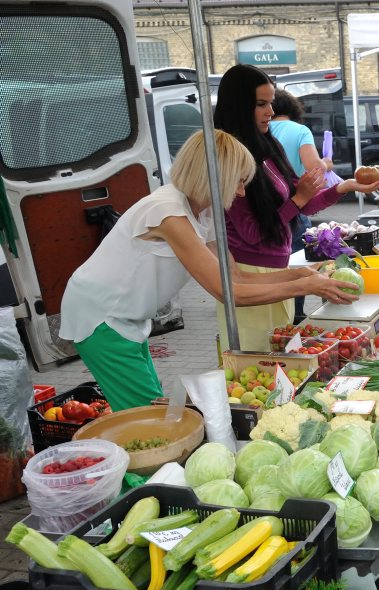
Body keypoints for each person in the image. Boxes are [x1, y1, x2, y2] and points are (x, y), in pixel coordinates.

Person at [58, 130, 361, 411]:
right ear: (213, 178)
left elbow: (236, 277)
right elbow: (226, 293)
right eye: (239, 181)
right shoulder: (168, 212)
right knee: (145, 417)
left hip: (128, 316)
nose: (242, 192)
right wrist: (305, 287)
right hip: (100, 316)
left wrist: (301, 274)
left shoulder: (207, 212)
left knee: (151, 403)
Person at [213, 64, 379, 351]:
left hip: (277, 270)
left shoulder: (270, 147)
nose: (270, 111)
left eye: (270, 103)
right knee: (257, 362)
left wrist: (347, 186)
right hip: (249, 277)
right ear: (240, 105)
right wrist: (298, 199)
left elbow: (304, 204)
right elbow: (253, 233)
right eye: (261, 104)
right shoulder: (229, 157)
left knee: (280, 357)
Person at [269, 88, 334, 324]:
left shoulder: (259, 132)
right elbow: (314, 169)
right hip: (294, 206)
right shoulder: (299, 130)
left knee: (274, 265)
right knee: (297, 262)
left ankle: (281, 317)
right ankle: (295, 316)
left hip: (267, 211)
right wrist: (327, 163)